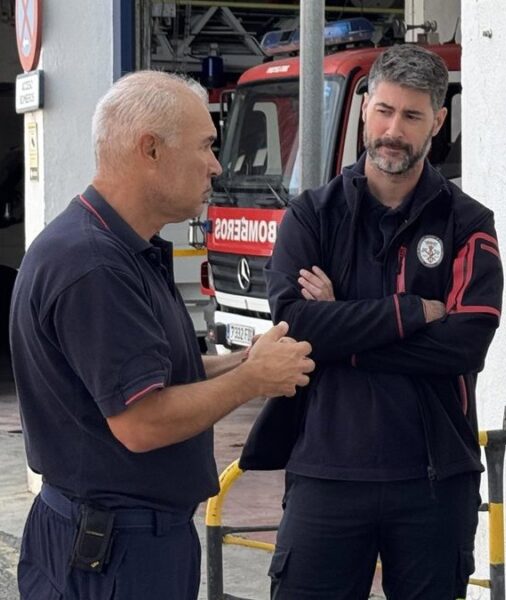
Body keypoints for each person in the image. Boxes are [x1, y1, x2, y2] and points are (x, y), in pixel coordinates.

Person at [9, 71, 314, 600]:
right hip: (112, 555)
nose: (216, 166)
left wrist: (245, 361)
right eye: (205, 146)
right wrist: (254, 381)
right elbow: (142, 422)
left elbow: (161, 376)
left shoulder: (117, 247)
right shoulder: (94, 265)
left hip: (121, 543)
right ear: (150, 149)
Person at [242, 44, 503, 599]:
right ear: (364, 109)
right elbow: (293, 324)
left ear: (438, 119)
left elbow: (464, 346)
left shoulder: (468, 222)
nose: (394, 130)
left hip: (434, 481)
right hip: (325, 474)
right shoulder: (311, 215)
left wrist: (338, 326)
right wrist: (411, 312)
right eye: (384, 110)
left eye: (411, 115)